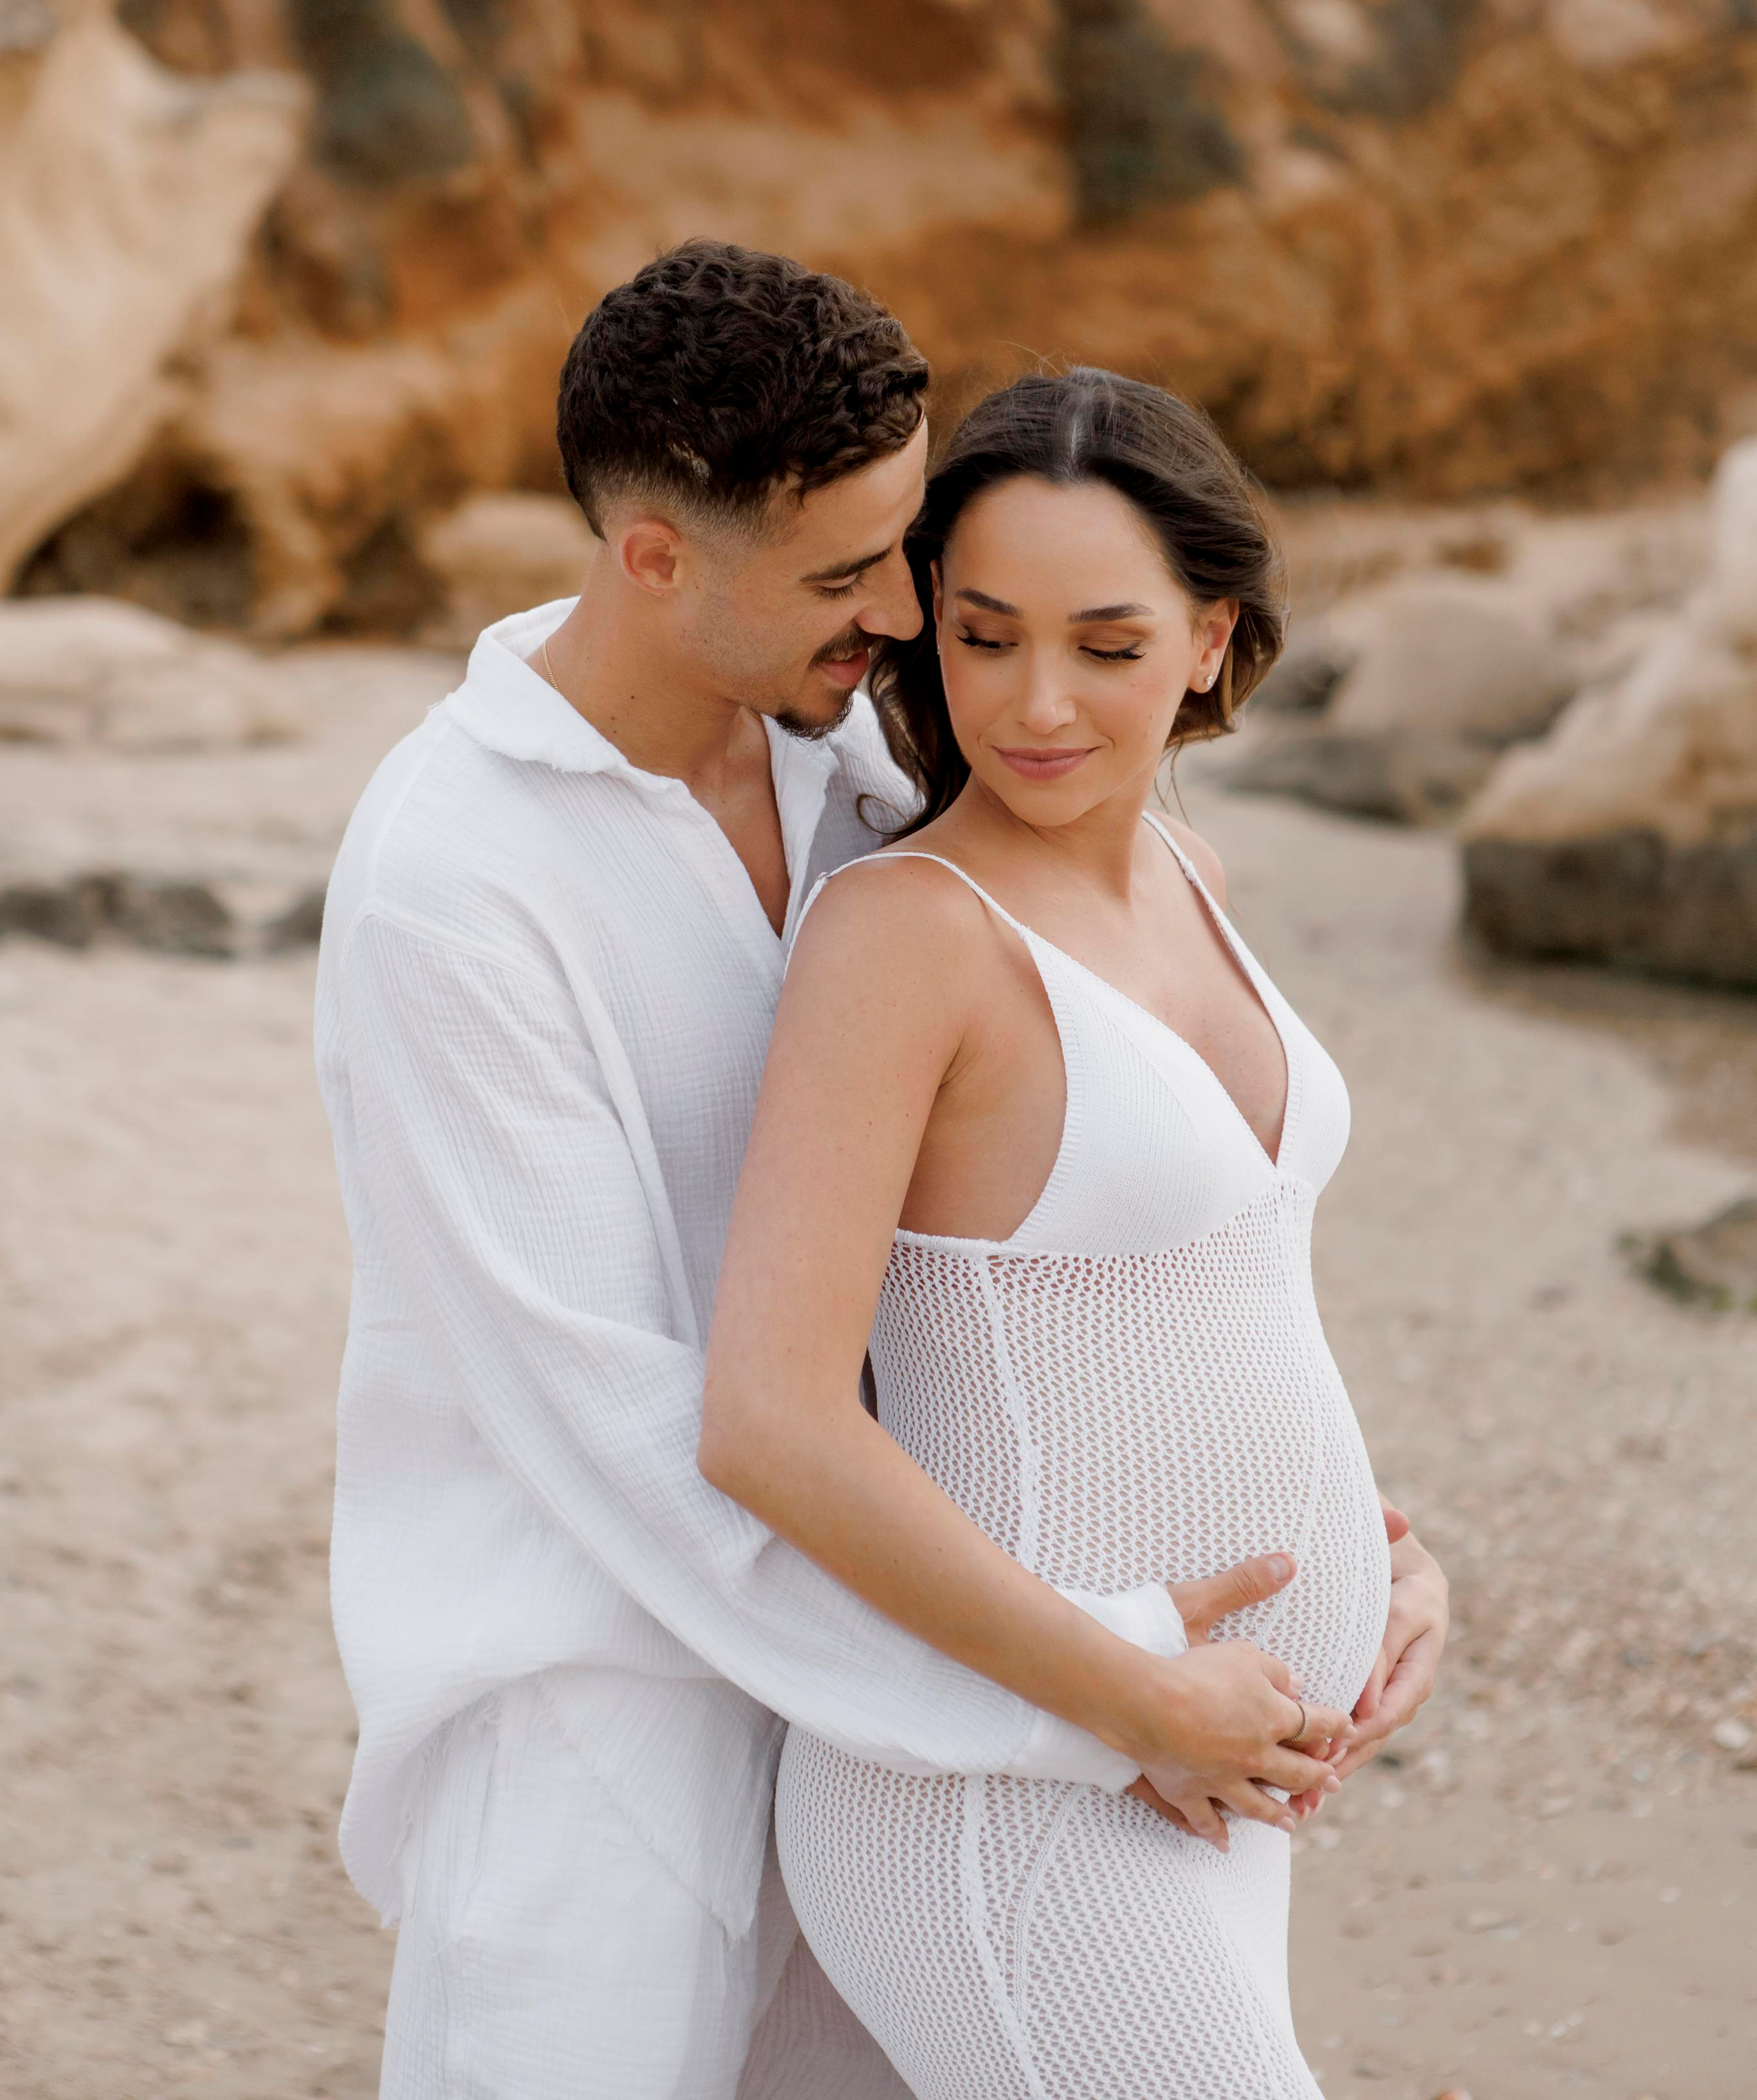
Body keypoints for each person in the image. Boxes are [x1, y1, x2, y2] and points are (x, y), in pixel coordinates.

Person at [315, 244, 1404, 2100]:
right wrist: (1091, 1693)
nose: (904, 614)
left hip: (937, 1675)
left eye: (910, 552)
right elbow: (642, 1429)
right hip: (611, 1713)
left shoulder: (840, 775)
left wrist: (1339, 1556)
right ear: (657, 560)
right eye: (850, 575)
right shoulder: (456, 889)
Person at [700, 367, 1451, 2098]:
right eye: (982, 638)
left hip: (1208, 1776)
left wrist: (1382, 1548)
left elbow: (1219, 1293)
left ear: (1210, 638)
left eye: (1104, 647)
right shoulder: (904, 936)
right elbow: (770, 1419)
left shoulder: (1186, 871)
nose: (1033, 705)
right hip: (1016, 1794)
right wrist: (1126, 1689)